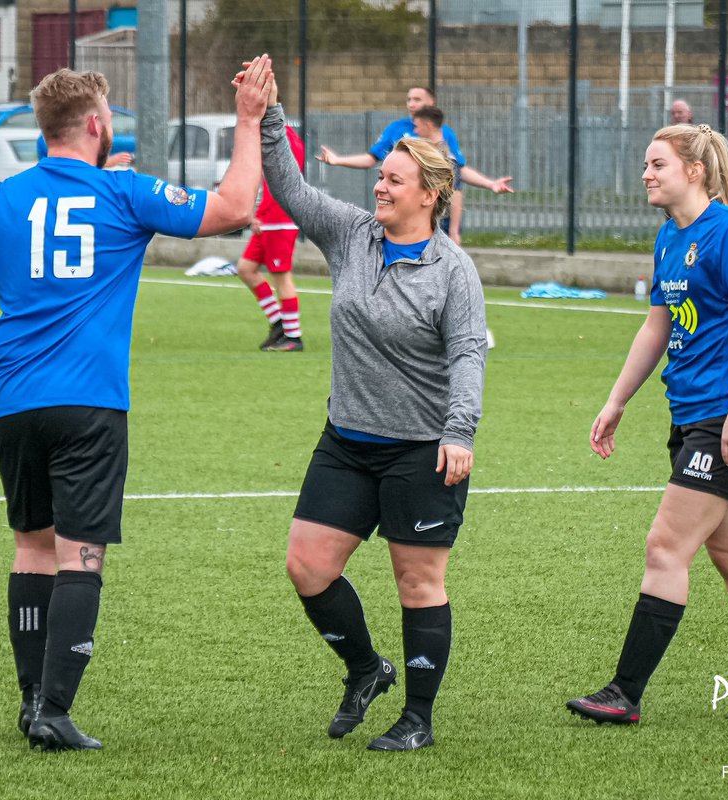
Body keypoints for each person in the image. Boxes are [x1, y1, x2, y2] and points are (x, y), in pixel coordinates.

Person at [0, 58, 274, 751]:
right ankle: (56, 711)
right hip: (89, 404)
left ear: (44, 131)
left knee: (31, 549)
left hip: (13, 403)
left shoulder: (0, 199)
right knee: (82, 555)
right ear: (96, 124)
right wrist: (248, 120)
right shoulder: (125, 192)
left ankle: (32, 697)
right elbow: (235, 208)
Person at [260, 74, 487, 751]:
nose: (380, 187)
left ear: (431, 195)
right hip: (347, 439)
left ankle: (417, 718)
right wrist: (267, 113)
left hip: (422, 448)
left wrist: (459, 431)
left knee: (417, 580)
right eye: (380, 176)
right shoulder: (352, 236)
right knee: (307, 566)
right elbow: (292, 188)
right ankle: (366, 669)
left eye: (394, 180)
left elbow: (469, 354)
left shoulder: (454, 270)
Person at [566, 123, 728, 725]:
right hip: (693, 419)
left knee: (666, 546)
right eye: (646, 165)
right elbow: (658, 327)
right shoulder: (670, 238)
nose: (645, 174)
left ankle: (624, 693)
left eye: (657, 164)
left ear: (694, 170)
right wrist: (617, 400)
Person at [318, 86, 513, 245]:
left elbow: (457, 173)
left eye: (417, 99)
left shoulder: (444, 135)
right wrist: (337, 160)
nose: (411, 104)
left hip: (431, 214)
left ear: (431, 104)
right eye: (409, 99)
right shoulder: (396, 128)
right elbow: (371, 158)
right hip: (403, 212)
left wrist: (490, 184)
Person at [236, 120, 307, 352]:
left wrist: (251, 209)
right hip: (268, 216)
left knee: (281, 276)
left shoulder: (276, 135)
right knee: (246, 268)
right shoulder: (284, 133)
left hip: (279, 217)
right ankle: (279, 323)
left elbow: (257, 171)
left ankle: (293, 337)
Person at [411, 106, 513, 243]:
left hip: (438, 226)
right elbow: (461, 171)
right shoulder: (432, 151)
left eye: (416, 126)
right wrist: (491, 184)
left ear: (427, 125)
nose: (415, 130)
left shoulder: (443, 156)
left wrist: (454, 231)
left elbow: (455, 193)